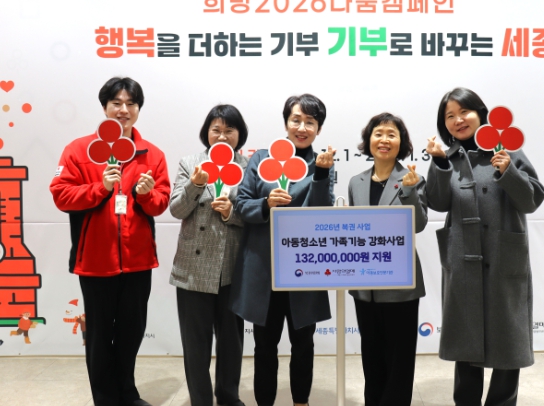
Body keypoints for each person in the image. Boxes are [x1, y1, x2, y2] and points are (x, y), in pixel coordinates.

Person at [50, 77, 170, 406]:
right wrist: (100, 188)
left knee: (132, 331)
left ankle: (127, 393)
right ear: (104, 107)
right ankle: (105, 399)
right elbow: (61, 194)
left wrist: (146, 195)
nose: (123, 110)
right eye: (116, 103)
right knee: (100, 335)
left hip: (138, 260)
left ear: (138, 109)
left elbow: (161, 202)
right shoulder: (78, 150)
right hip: (95, 260)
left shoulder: (152, 154)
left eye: (131, 104)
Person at [425, 87, 544, 406]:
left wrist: (508, 171)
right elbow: (437, 202)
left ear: (480, 114)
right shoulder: (447, 158)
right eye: (449, 116)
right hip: (463, 259)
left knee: (509, 340)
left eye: (464, 112)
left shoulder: (508, 150)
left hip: (503, 258)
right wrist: (438, 163)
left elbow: (532, 201)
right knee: (466, 339)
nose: (458, 120)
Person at [229, 94, 335, 406]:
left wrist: (322, 174)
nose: (302, 127)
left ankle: (301, 402)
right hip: (264, 268)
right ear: (286, 123)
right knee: (264, 345)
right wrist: (266, 203)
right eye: (296, 120)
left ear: (318, 129)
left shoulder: (321, 164)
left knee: (303, 344)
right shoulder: (262, 159)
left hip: (304, 268)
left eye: (310, 122)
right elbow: (242, 203)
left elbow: (322, 212)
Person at [169, 105, 250, 406]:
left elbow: (257, 216)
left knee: (231, 343)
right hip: (192, 269)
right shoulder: (190, 163)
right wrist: (196, 184)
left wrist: (231, 213)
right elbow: (177, 209)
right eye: (216, 130)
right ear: (207, 132)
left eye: (229, 130)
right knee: (195, 346)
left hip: (232, 268)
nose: (222, 136)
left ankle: (228, 397)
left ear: (239, 134)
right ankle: (200, 400)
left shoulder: (248, 167)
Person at [347, 112, 428, 406]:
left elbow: (418, 224)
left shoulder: (412, 179)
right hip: (364, 284)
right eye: (378, 133)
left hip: (400, 283)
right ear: (369, 140)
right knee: (371, 356)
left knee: (399, 360)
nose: (384, 140)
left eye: (391, 135)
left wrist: (408, 190)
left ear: (401, 143)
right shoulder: (356, 182)